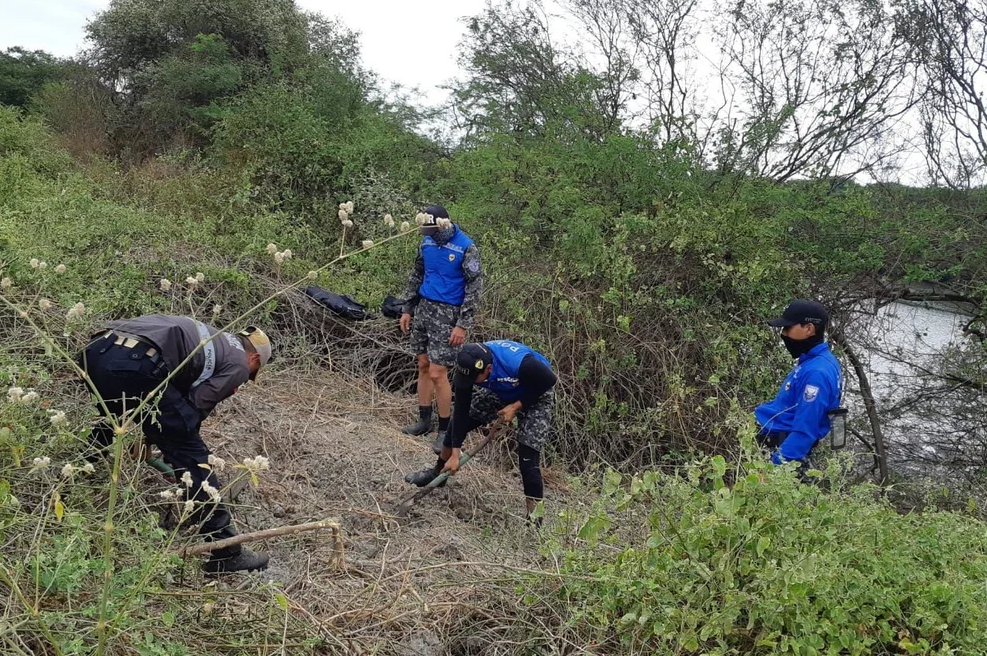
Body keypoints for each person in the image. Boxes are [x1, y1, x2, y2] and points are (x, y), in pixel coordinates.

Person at [79, 315, 273, 573]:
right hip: (139, 364)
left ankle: (73, 480)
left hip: (96, 351)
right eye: (251, 375)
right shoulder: (239, 363)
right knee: (194, 456)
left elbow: (169, 400)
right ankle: (226, 551)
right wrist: (179, 454)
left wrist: (152, 434)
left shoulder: (214, 337)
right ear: (255, 359)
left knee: (108, 421)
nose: (241, 383)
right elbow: (191, 410)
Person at [405, 340, 557, 521]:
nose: (469, 383)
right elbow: (461, 410)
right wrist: (455, 454)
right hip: (502, 390)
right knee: (456, 424)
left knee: (528, 457)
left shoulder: (519, 363)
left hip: (535, 393)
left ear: (489, 369)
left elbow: (549, 380)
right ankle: (439, 473)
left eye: (474, 380)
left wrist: (516, 406)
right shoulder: (469, 365)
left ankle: (535, 518)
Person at [398, 205, 483, 454]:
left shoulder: (465, 247)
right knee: (423, 364)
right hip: (424, 308)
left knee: (438, 372)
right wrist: (407, 308)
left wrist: (462, 324)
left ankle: (445, 429)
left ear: (443, 224)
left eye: (431, 229)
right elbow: (417, 273)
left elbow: (474, 288)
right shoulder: (425, 243)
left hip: (449, 314)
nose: (428, 233)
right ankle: (424, 419)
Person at [755, 299, 842, 470]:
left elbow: (804, 432)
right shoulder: (819, 362)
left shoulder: (816, 372)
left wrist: (773, 469)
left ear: (809, 329)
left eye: (788, 328)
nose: (783, 334)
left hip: (781, 450)